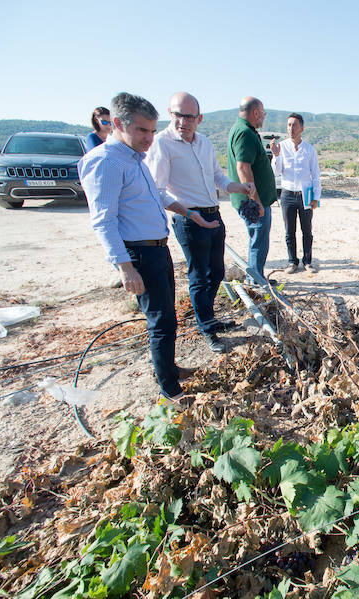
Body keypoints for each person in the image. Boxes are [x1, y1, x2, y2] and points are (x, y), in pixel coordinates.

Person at [79, 92, 219, 404]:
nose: (149, 138)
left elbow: (157, 196)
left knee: (168, 317)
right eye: (142, 130)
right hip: (139, 254)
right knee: (161, 322)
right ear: (117, 123)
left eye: (153, 131)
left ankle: (168, 369)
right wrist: (125, 266)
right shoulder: (105, 162)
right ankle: (170, 391)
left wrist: (188, 212)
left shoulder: (135, 158)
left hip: (158, 249)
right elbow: (103, 221)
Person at [145, 92, 256, 353]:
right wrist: (187, 212)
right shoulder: (162, 144)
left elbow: (218, 177)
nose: (182, 121)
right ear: (170, 114)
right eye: (177, 115)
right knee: (198, 277)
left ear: (199, 118)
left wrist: (238, 186)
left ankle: (207, 318)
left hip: (213, 214)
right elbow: (157, 190)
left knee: (216, 272)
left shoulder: (204, 143)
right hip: (189, 219)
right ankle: (207, 327)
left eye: (189, 116)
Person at [226, 96, 278, 286]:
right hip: (253, 201)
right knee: (258, 241)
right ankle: (255, 282)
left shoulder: (242, 130)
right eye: (262, 113)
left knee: (256, 239)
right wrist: (255, 201)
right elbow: (243, 168)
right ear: (255, 112)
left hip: (251, 199)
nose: (263, 117)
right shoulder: (244, 133)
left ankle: (256, 277)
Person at [270, 113, 321, 274]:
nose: (291, 128)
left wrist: (316, 198)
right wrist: (275, 155)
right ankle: (292, 261)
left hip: (306, 193)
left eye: (294, 125)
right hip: (287, 193)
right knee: (289, 230)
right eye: (289, 125)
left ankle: (308, 261)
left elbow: (316, 175)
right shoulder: (282, 147)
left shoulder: (309, 149)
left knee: (307, 229)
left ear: (302, 128)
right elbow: (277, 172)